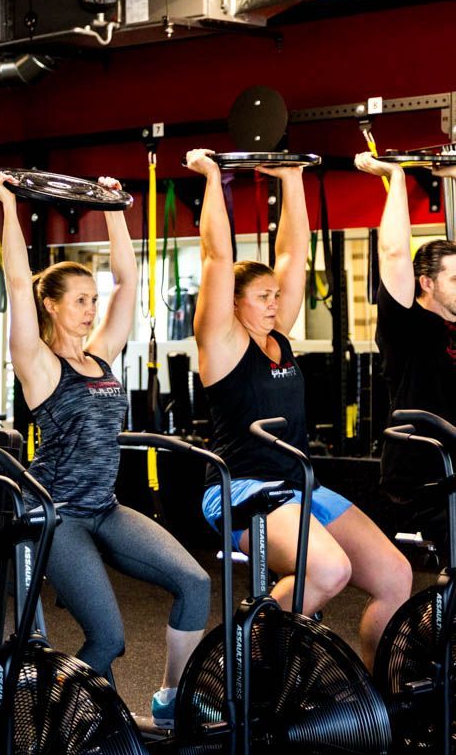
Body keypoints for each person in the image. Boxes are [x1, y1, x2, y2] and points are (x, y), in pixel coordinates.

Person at [0, 171, 209, 727]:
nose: (91, 309)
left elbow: (129, 282)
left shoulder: (103, 355)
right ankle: (46, 731)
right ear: (53, 306)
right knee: (107, 640)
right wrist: (9, 206)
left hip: (105, 508)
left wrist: (113, 206)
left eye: (92, 299)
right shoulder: (39, 363)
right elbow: (17, 282)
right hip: (57, 517)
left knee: (194, 582)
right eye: (80, 300)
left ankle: (171, 697)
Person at [188, 149, 411, 669]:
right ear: (233, 303)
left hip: (296, 482)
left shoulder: (277, 339)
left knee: (396, 576)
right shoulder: (220, 344)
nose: (274, 302)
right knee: (326, 571)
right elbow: (217, 259)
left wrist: (292, 181)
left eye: (274, 296)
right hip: (238, 488)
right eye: (262, 296)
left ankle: (377, 698)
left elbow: (293, 255)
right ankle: (234, 667)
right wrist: (212, 178)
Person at [356, 151, 456, 551]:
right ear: (426, 282)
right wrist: (395, 176)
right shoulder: (406, 325)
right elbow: (395, 254)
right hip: (422, 481)